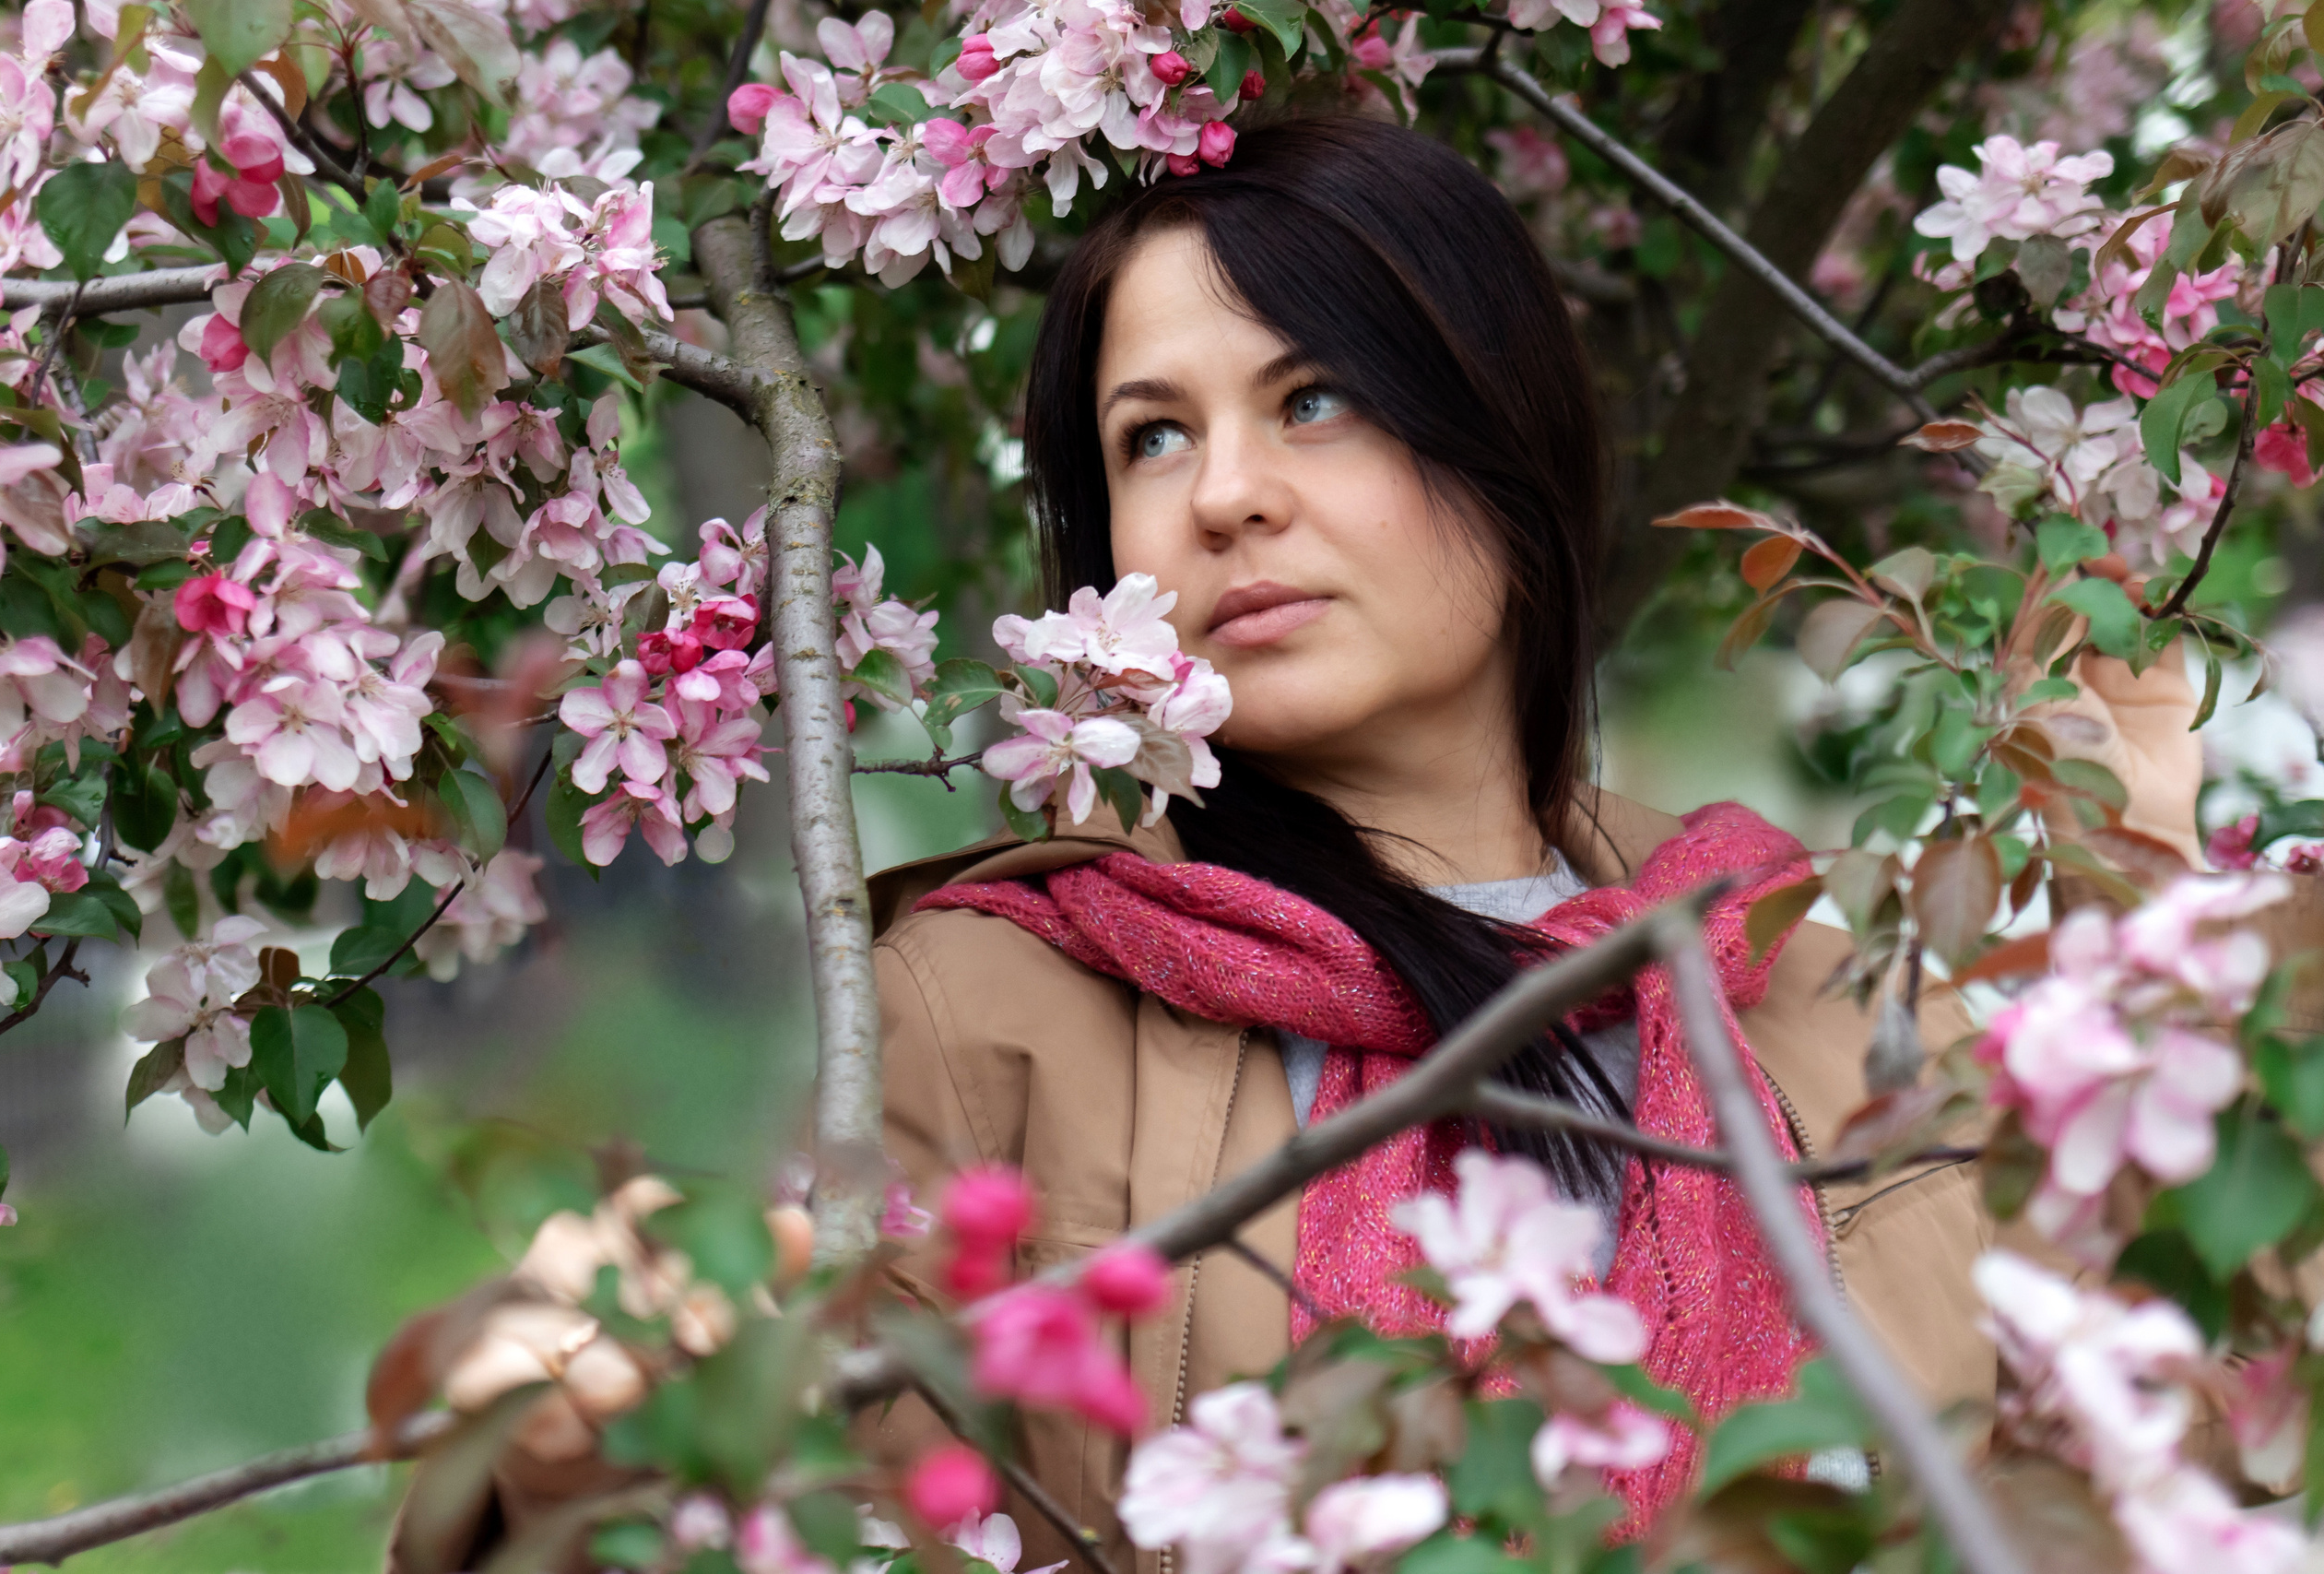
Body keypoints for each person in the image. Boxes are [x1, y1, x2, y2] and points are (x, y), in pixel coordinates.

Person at [866, 112, 2275, 1562]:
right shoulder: (984, 1013)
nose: (1225, 494)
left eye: (1314, 400)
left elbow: (2188, 1440)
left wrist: (2148, 919)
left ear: (1502, 429)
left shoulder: (1823, 1011)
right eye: (1152, 438)